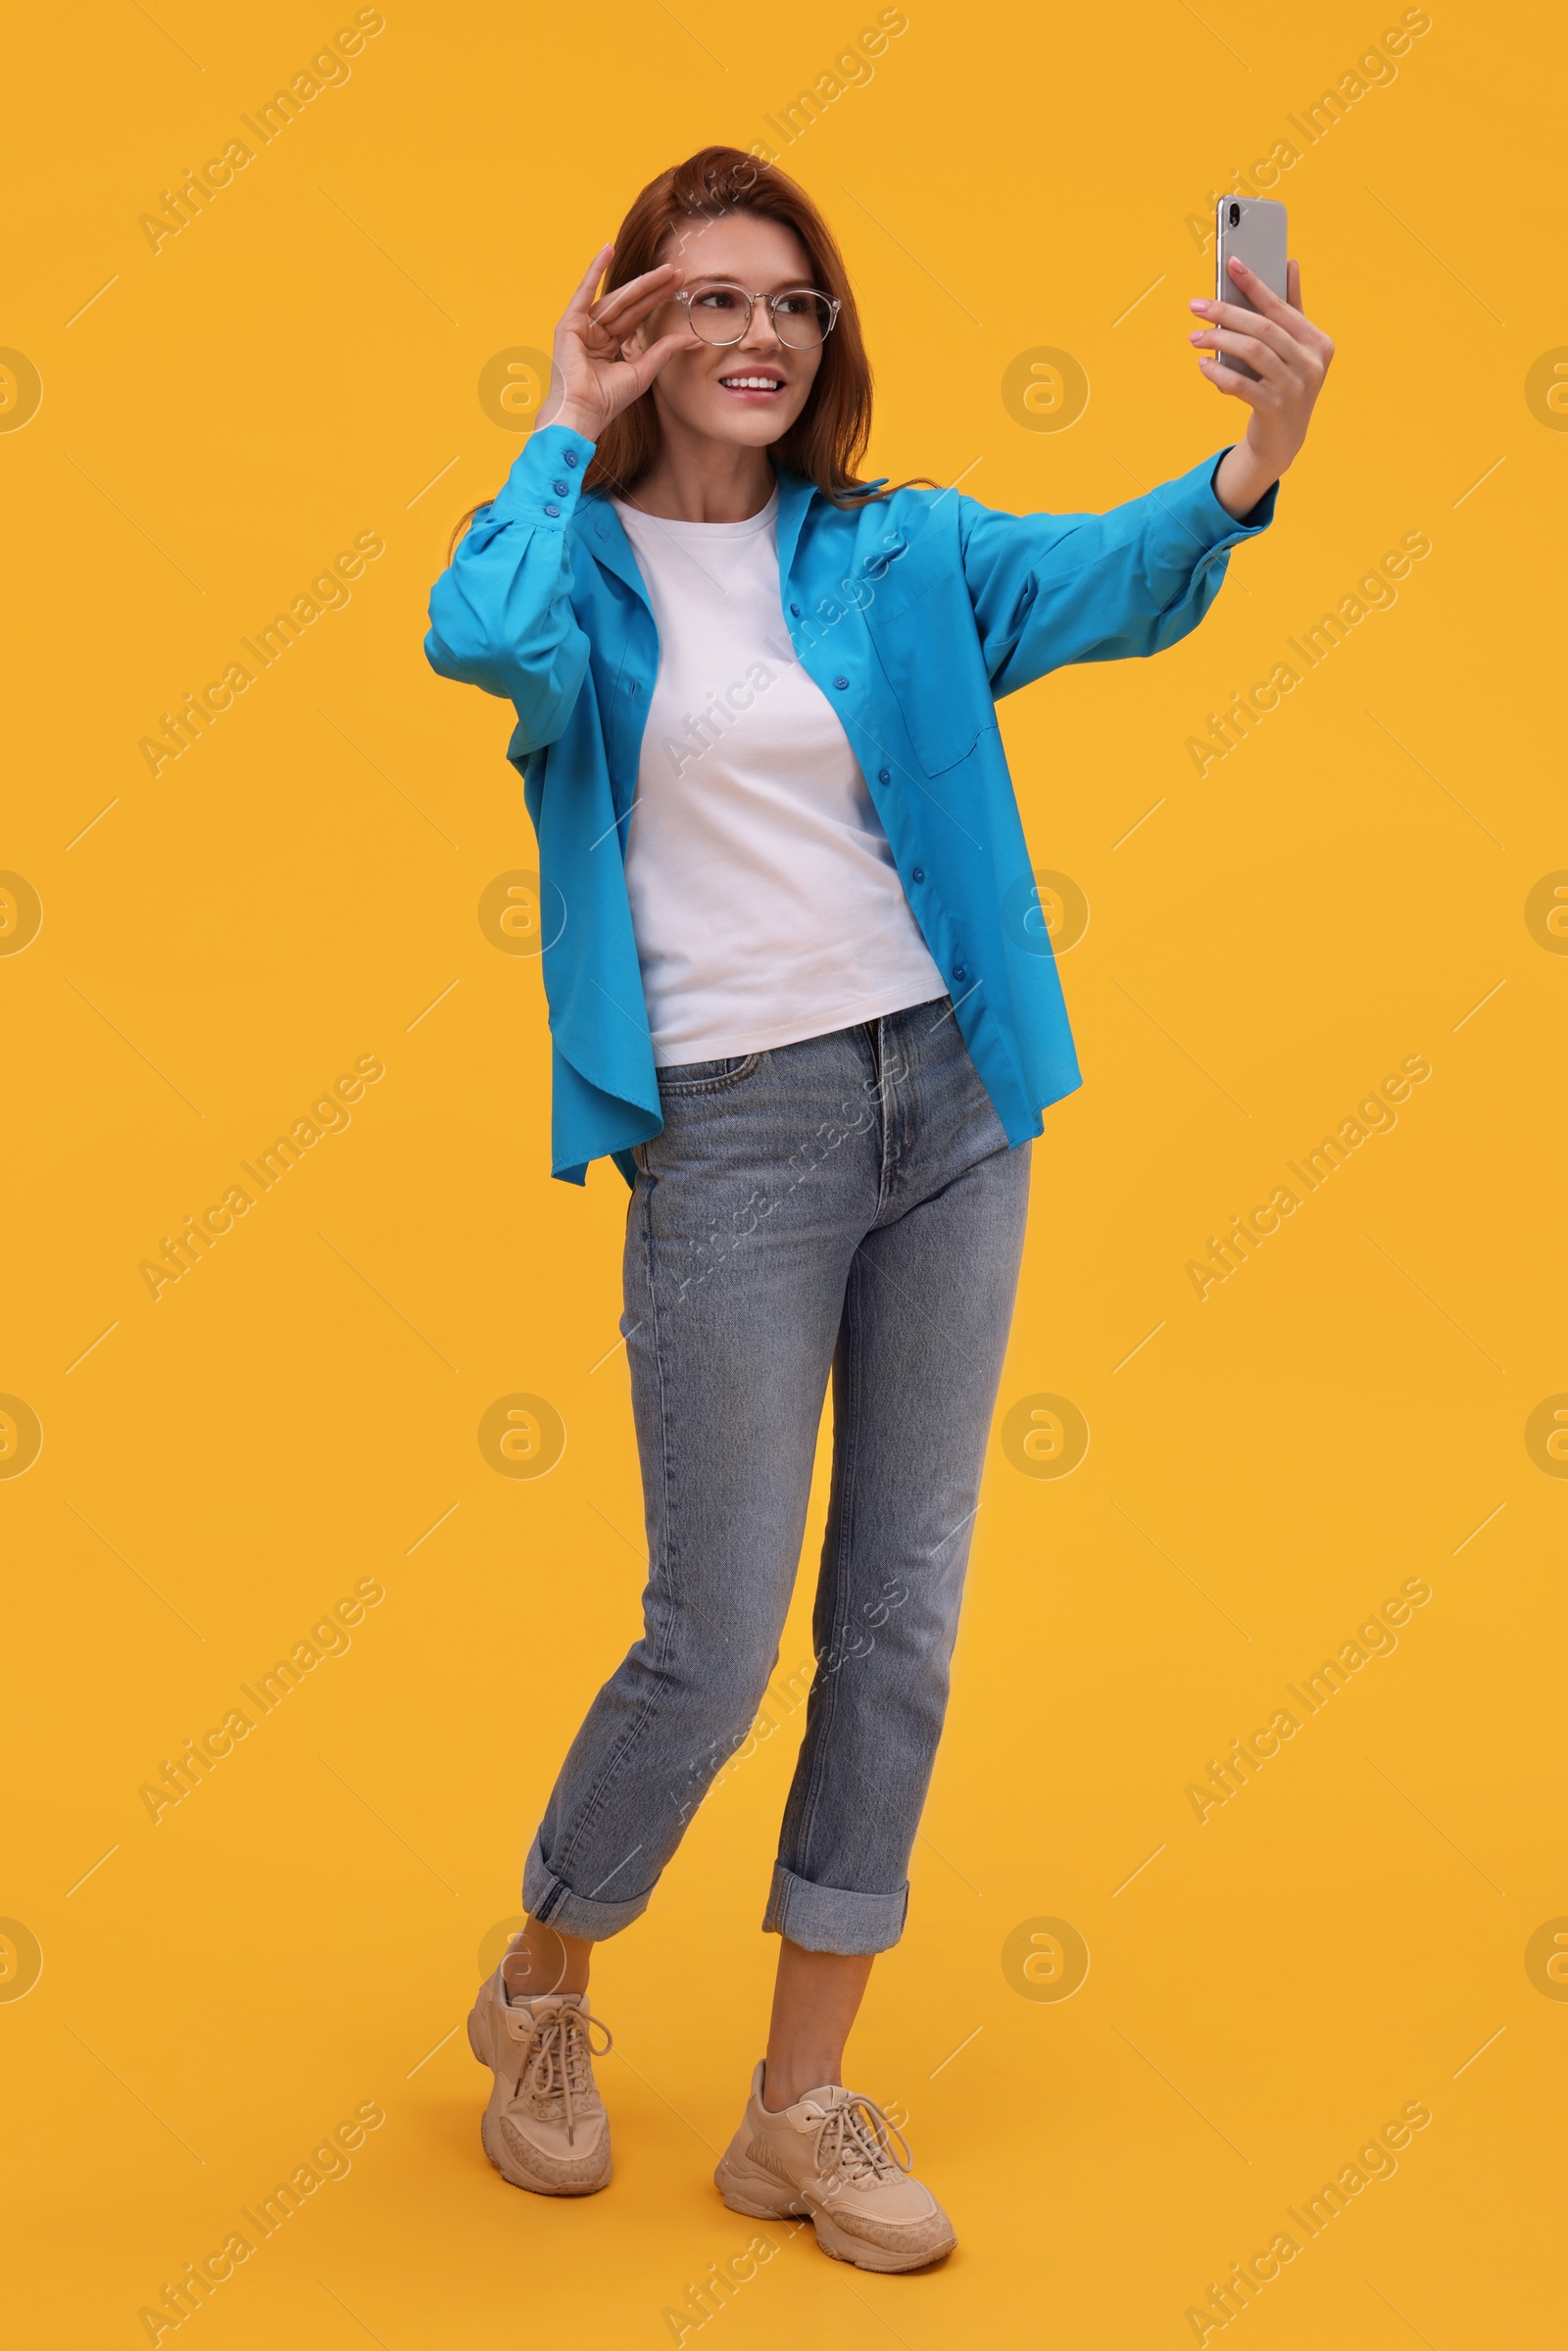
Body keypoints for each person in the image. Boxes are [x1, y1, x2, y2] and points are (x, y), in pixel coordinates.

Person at [424, 145, 1332, 2271]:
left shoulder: (896, 552)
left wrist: (1250, 459)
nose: (751, 334)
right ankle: (542, 1994)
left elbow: (1116, 576)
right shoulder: (581, 577)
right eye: (702, 298)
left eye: (788, 302)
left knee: (897, 1620)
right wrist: (559, 418)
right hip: (730, 1137)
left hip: (947, 1102)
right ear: (635, 323)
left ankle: (793, 2105)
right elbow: (476, 637)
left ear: (826, 341)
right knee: (713, 1639)